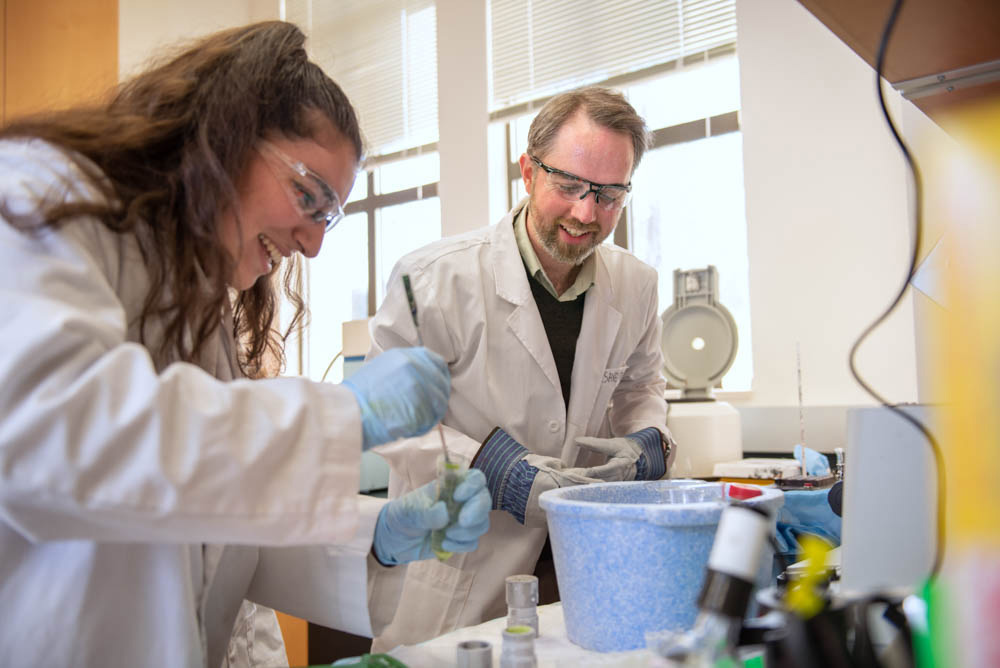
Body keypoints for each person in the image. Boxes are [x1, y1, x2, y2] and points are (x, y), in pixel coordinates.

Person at [0, 21, 490, 668]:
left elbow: (210, 526)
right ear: (225, 135)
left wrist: (380, 539)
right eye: (307, 196)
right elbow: (50, 437)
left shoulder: (195, 304)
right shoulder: (41, 198)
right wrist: (344, 415)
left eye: (328, 217)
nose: (312, 244)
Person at [367, 86, 677, 650]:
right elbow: (392, 421)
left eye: (609, 195)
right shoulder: (432, 279)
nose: (587, 214)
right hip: (462, 566)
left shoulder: (637, 286)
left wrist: (646, 441)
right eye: (570, 187)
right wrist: (497, 471)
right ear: (528, 171)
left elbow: (640, 385)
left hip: (579, 567)